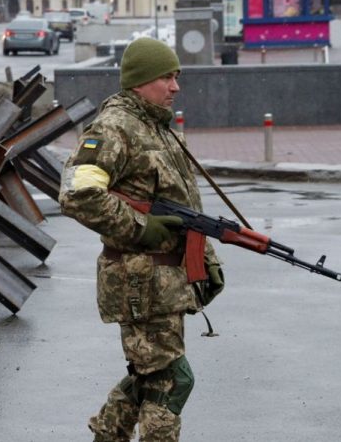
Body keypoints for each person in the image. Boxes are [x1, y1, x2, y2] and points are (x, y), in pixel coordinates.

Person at [59, 37, 225, 442]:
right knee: (171, 380)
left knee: (149, 377)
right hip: (140, 281)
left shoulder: (157, 127)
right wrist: (140, 228)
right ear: (140, 80)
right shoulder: (114, 128)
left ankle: (107, 436)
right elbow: (78, 194)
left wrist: (208, 259)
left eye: (176, 77)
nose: (175, 87)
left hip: (164, 282)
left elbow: (184, 209)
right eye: (167, 77)